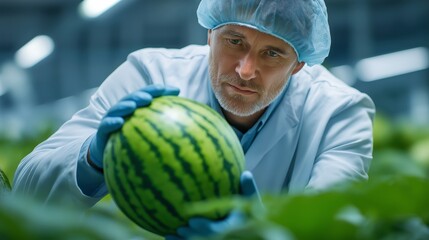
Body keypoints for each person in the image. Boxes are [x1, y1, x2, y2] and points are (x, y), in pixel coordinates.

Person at [13, 0, 375, 238]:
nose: (246, 70)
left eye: (272, 53)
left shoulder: (340, 113)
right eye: (234, 41)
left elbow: (334, 228)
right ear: (210, 34)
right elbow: (25, 194)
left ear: (298, 65)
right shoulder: (147, 75)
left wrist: (256, 234)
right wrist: (90, 159)